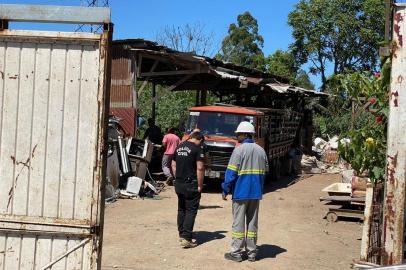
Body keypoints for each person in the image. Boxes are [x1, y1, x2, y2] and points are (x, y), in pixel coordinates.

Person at [221, 121, 268, 262]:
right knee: (253, 224)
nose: (236, 136)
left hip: (241, 193)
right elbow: (265, 172)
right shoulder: (261, 150)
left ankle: (235, 252)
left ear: (245, 134)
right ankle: (252, 253)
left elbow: (231, 173)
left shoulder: (239, 150)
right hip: (256, 193)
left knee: (238, 223)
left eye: (238, 134)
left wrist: (225, 189)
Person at [171, 131, 205, 248]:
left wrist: (178, 177)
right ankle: (186, 238)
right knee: (191, 210)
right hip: (191, 184)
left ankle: (181, 234)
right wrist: (200, 185)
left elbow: (173, 165)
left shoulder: (179, 147)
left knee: (181, 209)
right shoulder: (197, 149)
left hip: (179, 183)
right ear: (199, 140)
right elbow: (200, 168)